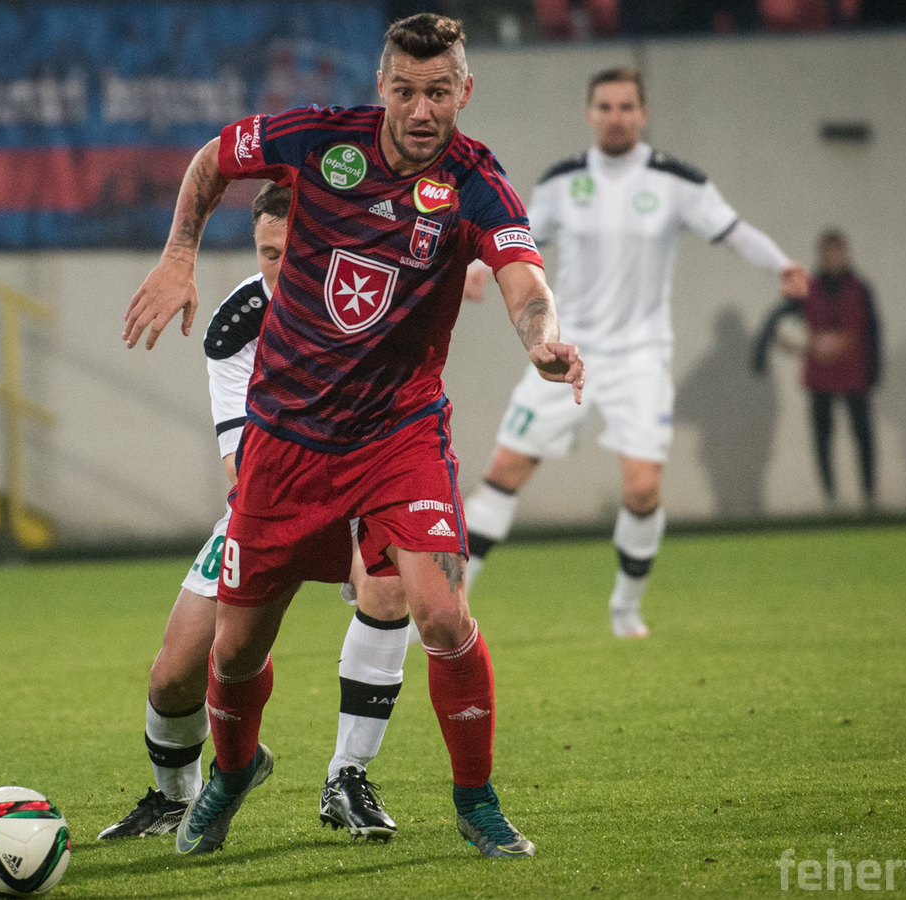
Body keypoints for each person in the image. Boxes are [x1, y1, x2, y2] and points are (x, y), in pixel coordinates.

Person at [124, 14, 584, 859]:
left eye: (438, 92)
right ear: (382, 87)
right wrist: (179, 254)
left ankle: (475, 800)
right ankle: (233, 771)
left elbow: (524, 281)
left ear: (465, 90)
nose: (421, 110)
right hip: (286, 439)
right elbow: (214, 157)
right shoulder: (319, 140)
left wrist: (542, 339)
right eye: (405, 91)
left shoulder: (476, 182)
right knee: (234, 650)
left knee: (442, 614)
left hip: (398, 435)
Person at [100, 182, 410, 843]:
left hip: (363, 492)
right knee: (176, 673)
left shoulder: (370, 298)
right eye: (270, 253)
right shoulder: (237, 324)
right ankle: (175, 797)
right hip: (270, 499)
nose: (283, 267)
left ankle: (348, 777)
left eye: (298, 251)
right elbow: (239, 463)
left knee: (391, 592)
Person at [460, 65, 807, 638]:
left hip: (641, 358)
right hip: (566, 350)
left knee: (643, 488)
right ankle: (452, 605)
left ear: (643, 114)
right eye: (605, 106)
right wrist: (476, 267)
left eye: (626, 107)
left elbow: (733, 230)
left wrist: (782, 265)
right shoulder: (563, 180)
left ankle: (625, 608)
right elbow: (515, 241)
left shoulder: (675, 181)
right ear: (589, 113)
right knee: (504, 471)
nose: (615, 117)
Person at [799, 230, 881, 507]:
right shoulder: (808, 289)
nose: (832, 258)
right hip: (820, 377)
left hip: (854, 375)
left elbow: (872, 332)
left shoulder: (860, 289)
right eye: (827, 253)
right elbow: (789, 322)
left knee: (863, 435)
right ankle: (830, 497)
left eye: (836, 253)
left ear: (845, 254)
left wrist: (874, 372)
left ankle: (869, 495)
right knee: (822, 437)